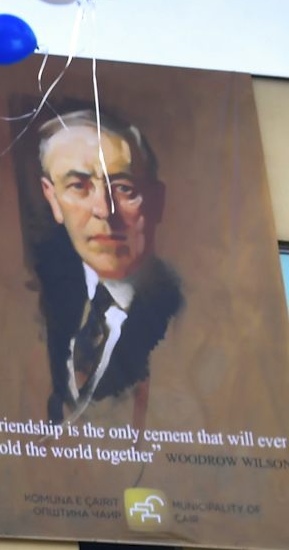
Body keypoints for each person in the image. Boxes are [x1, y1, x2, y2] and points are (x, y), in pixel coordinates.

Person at [32, 109, 182, 427]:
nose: (103, 209)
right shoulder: (40, 306)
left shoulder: (187, 319)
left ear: (157, 201)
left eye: (124, 188)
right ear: (53, 198)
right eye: (78, 186)